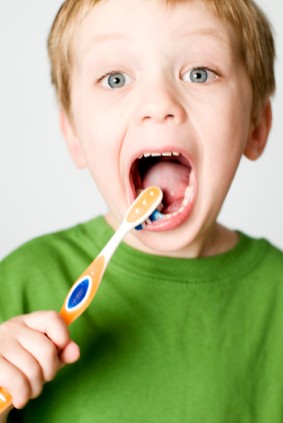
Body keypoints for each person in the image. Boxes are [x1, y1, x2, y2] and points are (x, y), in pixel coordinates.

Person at [0, 0, 282, 421]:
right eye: (115, 79)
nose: (159, 103)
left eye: (199, 73)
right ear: (73, 133)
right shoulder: (21, 283)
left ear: (256, 126)